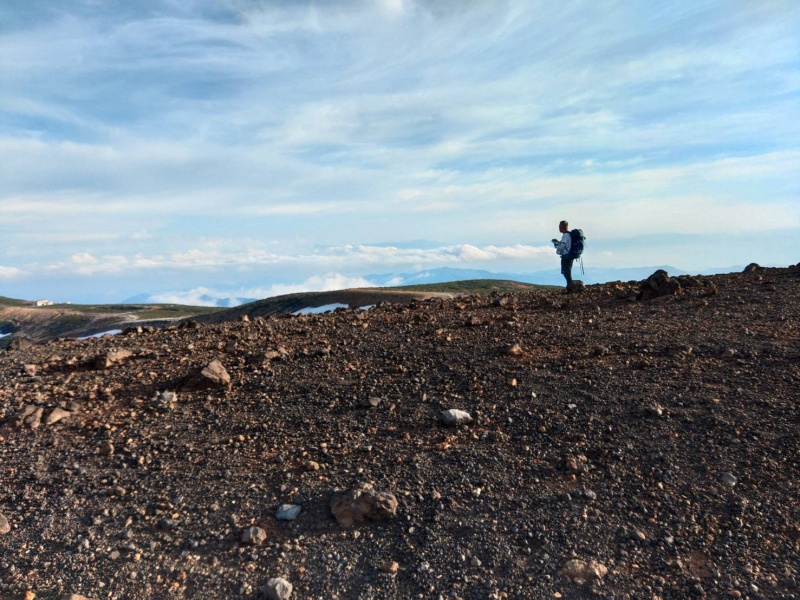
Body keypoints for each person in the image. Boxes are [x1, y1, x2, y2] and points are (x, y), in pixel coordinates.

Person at [551, 220, 573, 286]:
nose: (559, 228)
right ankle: (570, 286)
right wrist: (558, 242)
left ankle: (570, 286)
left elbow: (562, 247)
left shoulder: (565, 235)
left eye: (560, 226)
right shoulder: (569, 234)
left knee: (566, 272)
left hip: (566, 256)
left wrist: (556, 245)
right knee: (567, 272)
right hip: (569, 256)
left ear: (563, 226)